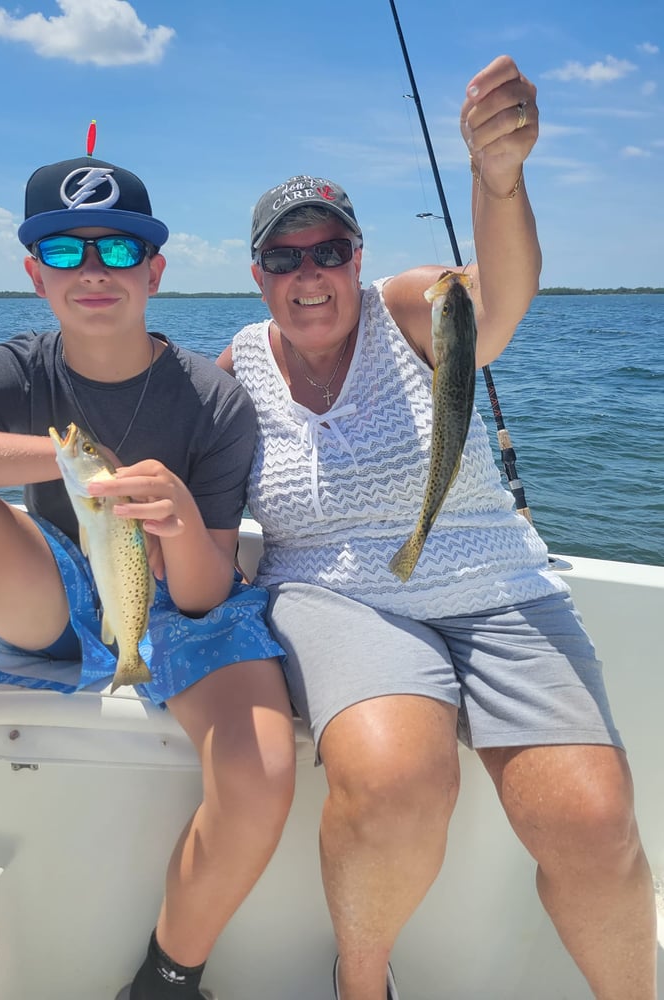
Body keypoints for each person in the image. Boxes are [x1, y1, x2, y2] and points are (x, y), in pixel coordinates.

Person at [216, 55, 657, 1000]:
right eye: (284, 257)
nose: (309, 274)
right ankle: (362, 985)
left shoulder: (417, 306)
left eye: (328, 250)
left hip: (497, 583)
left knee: (594, 821)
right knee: (392, 783)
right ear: (257, 273)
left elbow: (499, 300)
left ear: (359, 257)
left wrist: (497, 180)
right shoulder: (235, 369)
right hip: (332, 592)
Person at [0, 150, 296, 1000]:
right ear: (34, 275)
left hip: (187, 599)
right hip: (63, 589)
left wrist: (183, 521)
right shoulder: (17, 368)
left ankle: (167, 977)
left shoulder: (214, 402)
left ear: (155, 271)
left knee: (262, 771)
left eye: (120, 251)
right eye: (64, 251)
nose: (93, 270)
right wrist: (73, 462)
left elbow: (203, 594)